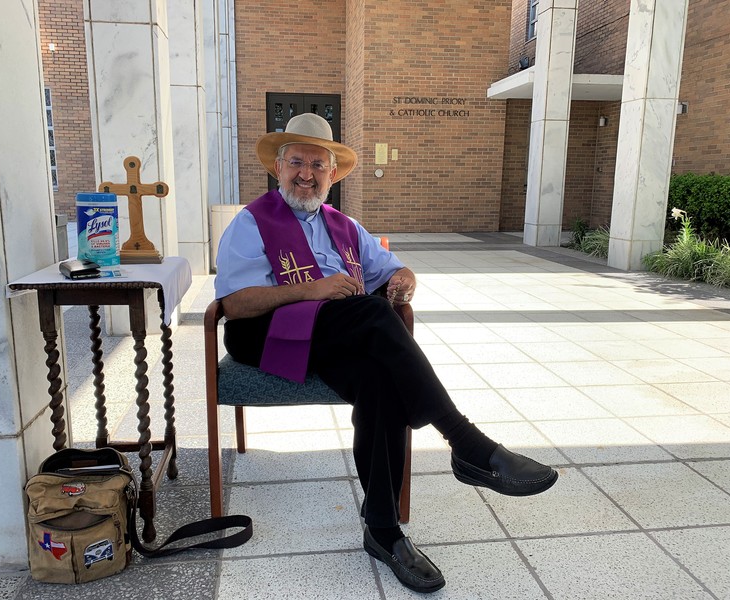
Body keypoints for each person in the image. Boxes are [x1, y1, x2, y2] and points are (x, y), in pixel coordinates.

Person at [215, 113, 557, 594]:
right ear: (278, 166)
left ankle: (383, 530)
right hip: (263, 331)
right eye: (296, 162)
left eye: (318, 164)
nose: (306, 174)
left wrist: (404, 280)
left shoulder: (346, 226)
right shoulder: (251, 222)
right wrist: (315, 288)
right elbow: (233, 303)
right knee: (376, 318)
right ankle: (468, 444)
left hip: (328, 333)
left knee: (382, 378)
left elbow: (394, 272)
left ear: (333, 174)